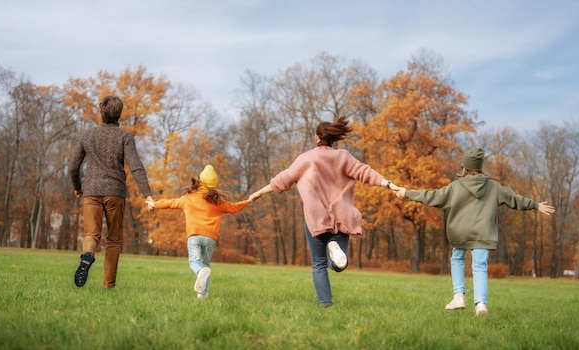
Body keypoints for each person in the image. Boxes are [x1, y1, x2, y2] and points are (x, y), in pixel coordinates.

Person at [248, 116, 399, 307]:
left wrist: (258, 193)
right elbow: (364, 172)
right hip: (342, 215)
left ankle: (325, 304)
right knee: (338, 264)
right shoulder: (344, 156)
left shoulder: (305, 159)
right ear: (333, 138)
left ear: (317, 137)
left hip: (315, 217)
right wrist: (388, 184)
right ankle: (335, 247)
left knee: (318, 264)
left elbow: (282, 180)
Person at [391, 147, 555, 316]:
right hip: (483, 234)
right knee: (480, 267)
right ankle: (481, 304)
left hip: (459, 231)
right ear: (480, 167)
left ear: (465, 167)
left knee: (457, 258)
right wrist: (536, 205)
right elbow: (514, 199)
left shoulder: (456, 186)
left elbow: (432, 197)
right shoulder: (494, 187)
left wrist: (407, 193)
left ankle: (459, 296)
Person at [69, 95, 154, 289]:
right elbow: (136, 167)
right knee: (114, 240)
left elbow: (73, 167)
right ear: (119, 114)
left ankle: (88, 255)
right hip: (115, 192)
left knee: (91, 234)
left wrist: (77, 187)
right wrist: (147, 194)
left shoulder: (88, 135)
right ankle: (109, 285)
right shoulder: (124, 137)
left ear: (102, 112)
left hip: (91, 190)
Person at [148, 165, 250, 299]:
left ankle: (200, 272)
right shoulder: (218, 202)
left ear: (200, 181)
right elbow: (235, 207)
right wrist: (248, 200)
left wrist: (154, 204)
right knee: (206, 265)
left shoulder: (188, 199)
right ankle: (202, 295)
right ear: (213, 186)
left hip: (194, 236)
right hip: (210, 238)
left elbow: (170, 203)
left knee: (195, 263)